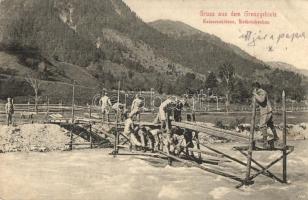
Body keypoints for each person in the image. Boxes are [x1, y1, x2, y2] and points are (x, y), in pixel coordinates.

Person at [252, 82, 279, 147]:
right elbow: (259, 103)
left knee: (262, 125)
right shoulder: (259, 93)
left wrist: (255, 94)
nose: (252, 90)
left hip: (266, 111)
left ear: (256, 88)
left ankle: (265, 141)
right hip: (266, 111)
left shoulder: (262, 92)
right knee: (270, 124)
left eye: (253, 88)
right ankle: (275, 137)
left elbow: (262, 100)